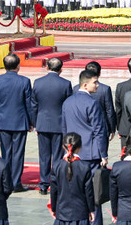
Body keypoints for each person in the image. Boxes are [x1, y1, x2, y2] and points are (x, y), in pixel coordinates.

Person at [61, 69, 108, 225]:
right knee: (94, 194)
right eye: (95, 82)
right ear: (85, 84)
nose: (98, 85)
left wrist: (66, 150)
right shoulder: (92, 103)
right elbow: (99, 130)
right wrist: (103, 154)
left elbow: (64, 128)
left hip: (72, 152)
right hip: (91, 154)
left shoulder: (67, 102)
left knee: (75, 190)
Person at [0, 52, 35, 192]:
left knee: (6, 153)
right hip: (20, 121)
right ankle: (16, 182)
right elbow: (29, 104)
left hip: (4, 121)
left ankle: (5, 181)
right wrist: (31, 121)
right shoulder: (24, 81)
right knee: (18, 154)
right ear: (18, 65)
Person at [32, 57, 73, 195]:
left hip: (42, 123)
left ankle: (43, 184)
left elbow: (34, 105)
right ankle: (56, 182)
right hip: (59, 124)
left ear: (47, 67)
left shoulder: (38, 83)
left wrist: (35, 123)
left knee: (43, 156)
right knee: (57, 155)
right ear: (61, 69)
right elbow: (68, 106)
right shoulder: (65, 84)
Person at [49, 132, 96, 224]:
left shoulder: (57, 166)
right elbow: (89, 192)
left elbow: (53, 190)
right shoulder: (85, 167)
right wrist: (91, 209)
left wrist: (53, 208)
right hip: (80, 213)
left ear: (63, 146)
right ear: (80, 147)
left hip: (62, 212)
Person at [73, 61, 116, 139]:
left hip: (81, 126)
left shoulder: (76, 88)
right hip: (101, 128)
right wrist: (112, 128)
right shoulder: (105, 89)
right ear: (99, 73)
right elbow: (109, 111)